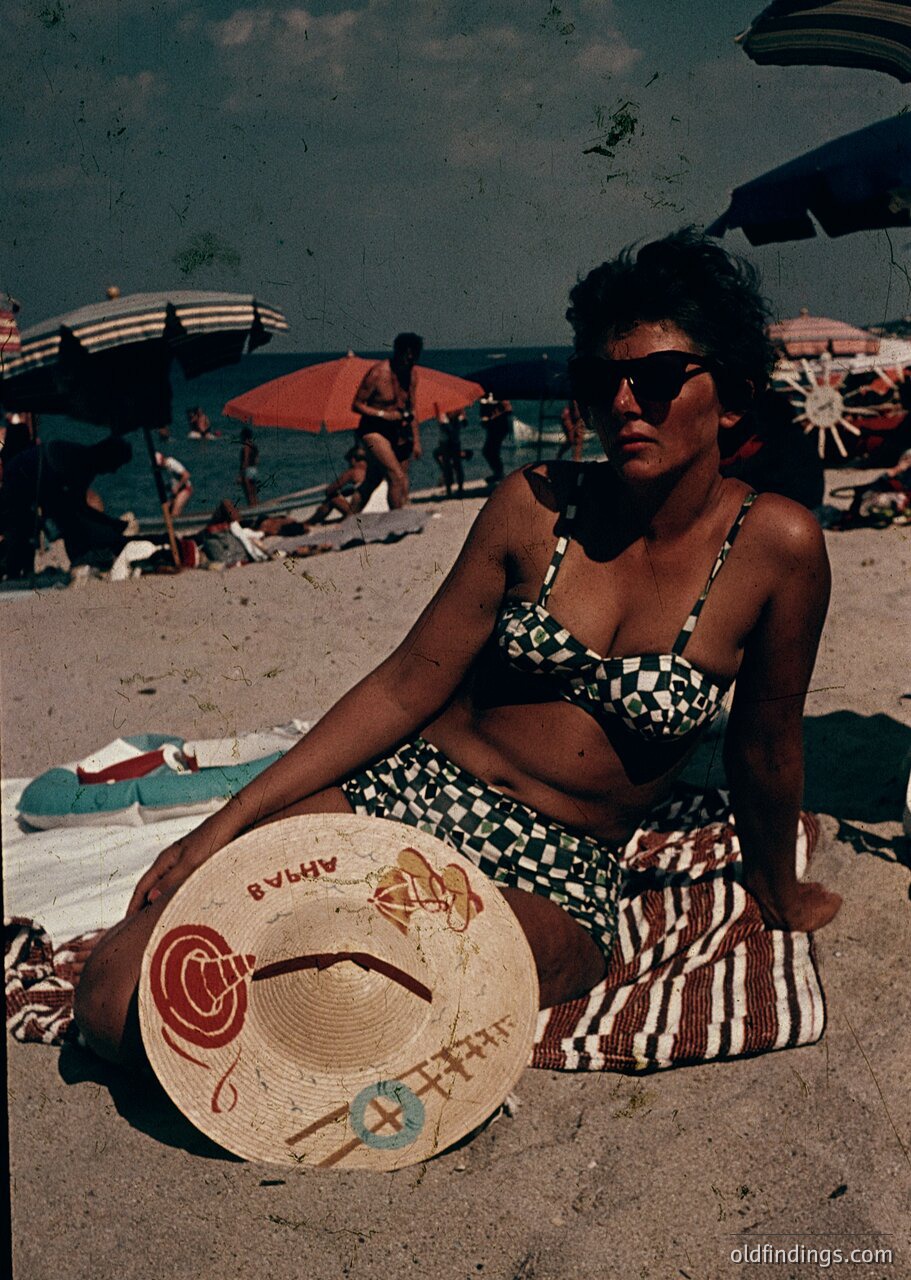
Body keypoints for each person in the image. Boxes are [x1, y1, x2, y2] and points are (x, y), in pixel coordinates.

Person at [75, 230, 842, 1067]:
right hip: (406, 792)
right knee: (117, 1000)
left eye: (654, 379)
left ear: (727, 398)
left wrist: (776, 885)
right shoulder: (533, 506)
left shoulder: (776, 547)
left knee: (362, 1003)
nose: (622, 403)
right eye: (600, 381)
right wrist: (222, 828)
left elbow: (764, 745)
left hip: (553, 868)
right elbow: (404, 687)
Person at [0, 434, 132, 577]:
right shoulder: (83, 462)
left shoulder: (85, 462)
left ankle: (20, 568)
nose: (113, 471)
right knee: (23, 524)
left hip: (34, 475)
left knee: (57, 520)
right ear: (107, 458)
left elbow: (77, 506)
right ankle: (15, 569)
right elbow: (77, 508)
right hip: (22, 476)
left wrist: (107, 522)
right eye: (115, 465)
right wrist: (108, 523)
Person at [348, 332, 423, 511]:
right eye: (406, 357)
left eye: (413, 358)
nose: (409, 361)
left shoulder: (411, 375)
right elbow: (357, 404)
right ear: (398, 353)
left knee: (374, 481)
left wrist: (416, 441)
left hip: (397, 431)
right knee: (395, 476)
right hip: (373, 430)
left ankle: (349, 520)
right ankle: (396, 521)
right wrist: (383, 414)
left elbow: (412, 409)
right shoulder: (378, 373)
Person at [303, 443, 371, 525]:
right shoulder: (372, 470)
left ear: (353, 460)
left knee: (332, 498)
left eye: (349, 461)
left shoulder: (353, 472)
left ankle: (309, 522)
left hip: (360, 511)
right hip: (375, 509)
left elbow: (330, 490)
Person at [433, 405, 472, 498]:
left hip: (454, 442)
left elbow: (465, 424)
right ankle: (449, 490)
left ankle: (460, 489)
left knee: (457, 465)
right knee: (447, 467)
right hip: (445, 443)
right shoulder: (443, 415)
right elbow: (448, 429)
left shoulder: (457, 413)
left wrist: (463, 416)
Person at [479, 393, 512, 485]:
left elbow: (508, 409)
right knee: (490, 451)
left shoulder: (497, 395)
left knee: (490, 451)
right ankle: (498, 473)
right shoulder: (485, 397)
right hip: (493, 426)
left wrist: (495, 415)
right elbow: (484, 413)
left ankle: (499, 473)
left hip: (499, 426)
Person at [154, 443, 193, 518]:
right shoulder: (163, 468)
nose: (159, 468)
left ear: (162, 460)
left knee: (175, 513)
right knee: (167, 512)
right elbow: (172, 481)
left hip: (185, 489)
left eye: (159, 465)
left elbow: (186, 475)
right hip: (176, 492)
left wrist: (177, 487)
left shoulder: (172, 463)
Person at [238, 427, 259, 506]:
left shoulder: (246, 447)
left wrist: (240, 475)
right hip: (254, 470)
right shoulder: (254, 447)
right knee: (253, 493)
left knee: (248, 494)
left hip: (247, 471)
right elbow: (257, 460)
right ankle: (256, 508)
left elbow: (245, 461)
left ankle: (252, 510)